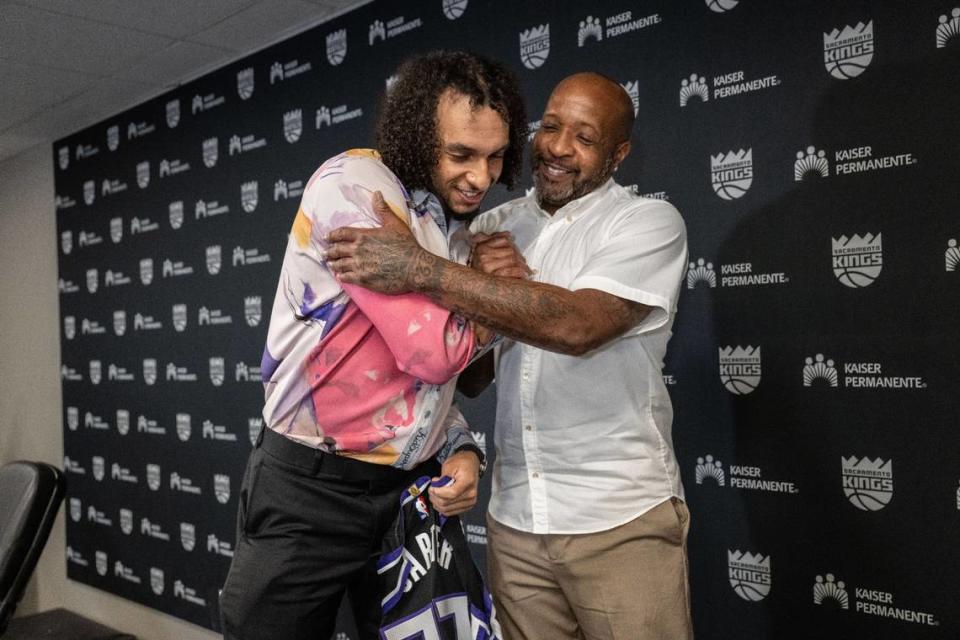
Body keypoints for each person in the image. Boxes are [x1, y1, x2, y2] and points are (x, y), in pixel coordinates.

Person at [326, 72, 692, 639]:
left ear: (618, 154)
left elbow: (578, 326)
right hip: (515, 520)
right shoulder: (491, 228)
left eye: (585, 138)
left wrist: (426, 271)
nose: (557, 147)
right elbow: (469, 379)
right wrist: (472, 284)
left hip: (619, 516)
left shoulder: (646, 223)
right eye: (550, 126)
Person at [219, 50, 527, 640]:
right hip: (309, 491)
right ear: (416, 135)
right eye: (461, 154)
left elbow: (432, 388)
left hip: (409, 494)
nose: (481, 177)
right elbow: (432, 353)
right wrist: (496, 292)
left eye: (494, 157)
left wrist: (463, 448)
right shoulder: (356, 186)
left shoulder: (450, 229)